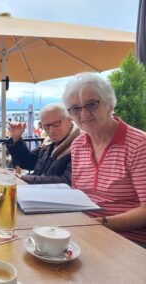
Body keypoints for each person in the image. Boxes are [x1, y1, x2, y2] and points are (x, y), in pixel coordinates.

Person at [62, 72, 146, 246]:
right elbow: (80, 197)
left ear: (109, 104)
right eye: (75, 108)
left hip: (129, 242)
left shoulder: (139, 145)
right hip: (85, 234)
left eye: (91, 104)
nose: (84, 114)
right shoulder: (78, 145)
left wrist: (100, 224)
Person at [6, 103, 81, 185]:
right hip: (39, 193)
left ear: (69, 119)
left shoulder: (80, 145)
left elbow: (67, 181)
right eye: (46, 126)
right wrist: (16, 138)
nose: (52, 130)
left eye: (56, 124)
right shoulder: (49, 142)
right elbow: (28, 162)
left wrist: (24, 179)